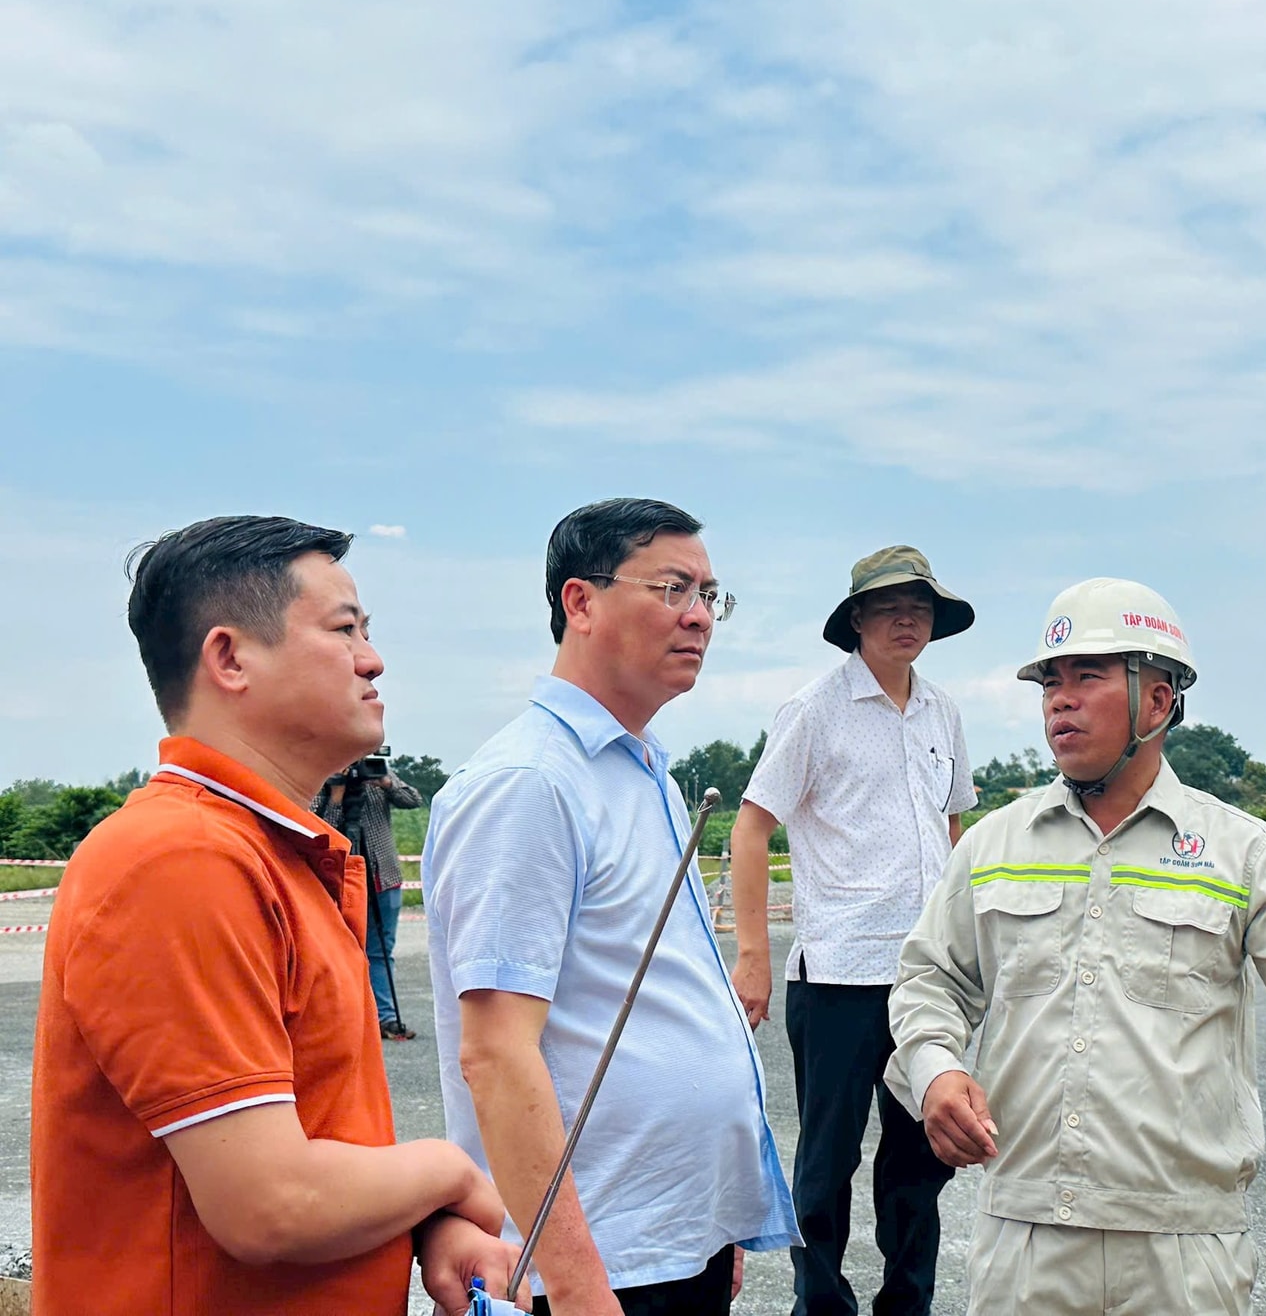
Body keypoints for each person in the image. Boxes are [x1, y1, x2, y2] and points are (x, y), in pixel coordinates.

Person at [30, 515, 521, 1316]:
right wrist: (450, 1173)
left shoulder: (271, 855)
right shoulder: (181, 860)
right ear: (229, 658)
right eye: (345, 628)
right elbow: (270, 1203)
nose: (374, 657)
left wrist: (424, 1223)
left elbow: (311, 1147)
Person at [887, 578, 1266, 1316]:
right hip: (1025, 1233)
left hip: (1181, 1244)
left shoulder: (1241, 851)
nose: (1060, 698)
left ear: (1159, 701)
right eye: (1050, 682)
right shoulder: (994, 845)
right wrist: (934, 1074)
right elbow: (931, 980)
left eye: (1087, 676)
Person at [424, 497, 799, 1316]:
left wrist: (709, 1226)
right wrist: (582, 1289)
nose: (701, 616)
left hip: (667, 1242)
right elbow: (495, 1054)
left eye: (711, 595)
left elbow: (660, 995)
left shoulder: (643, 775)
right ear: (581, 602)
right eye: (673, 589)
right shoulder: (531, 784)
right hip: (600, 1268)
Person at [731, 545, 977, 1316]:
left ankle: (907, 1302)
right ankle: (822, 1304)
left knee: (920, 1160)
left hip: (928, 978)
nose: (907, 619)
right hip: (838, 971)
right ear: (857, 619)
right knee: (826, 1160)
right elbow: (751, 825)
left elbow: (954, 825)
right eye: (890, 606)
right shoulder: (815, 709)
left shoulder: (943, 712)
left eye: (921, 607)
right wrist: (754, 959)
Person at [318, 759, 425, 1038]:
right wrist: (336, 795)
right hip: (341, 880)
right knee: (341, 951)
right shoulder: (324, 777)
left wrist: (385, 781)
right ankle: (347, 1016)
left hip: (383, 877)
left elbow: (413, 799)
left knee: (381, 951)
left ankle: (386, 1018)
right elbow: (323, 830)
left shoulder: (375, 774)